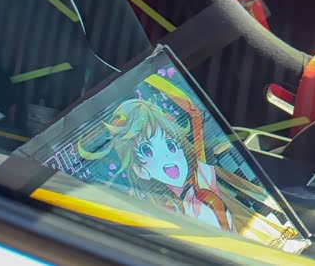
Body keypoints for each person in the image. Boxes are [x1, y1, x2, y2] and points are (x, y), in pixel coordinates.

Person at [80, 98, 235, 231]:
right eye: (147, 151)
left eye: (171, 145)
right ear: (140, 170)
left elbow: (195, 114)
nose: (167, 155)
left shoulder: (202, 176)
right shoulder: (164, 214)